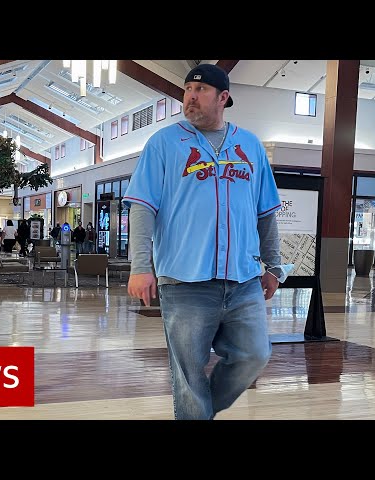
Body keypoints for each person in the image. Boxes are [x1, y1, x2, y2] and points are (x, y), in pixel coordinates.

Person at [123, 64, 289, 420]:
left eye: (200, 90)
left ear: (223, 97)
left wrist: (274, 267)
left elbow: (266, 213)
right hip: (185, 281)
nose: (191, 97)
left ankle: (200, 411)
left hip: (244, 279)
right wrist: (140, 266)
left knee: (255, 354)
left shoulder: (250, 145)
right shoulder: (164, 143)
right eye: (187, 90)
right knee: (188, 375)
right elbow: (142, 207)